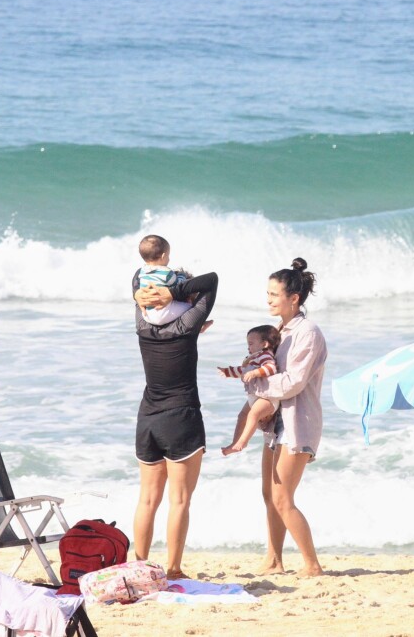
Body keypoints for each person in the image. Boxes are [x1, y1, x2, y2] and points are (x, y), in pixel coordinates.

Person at [132, 258, 218, 580]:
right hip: (181, 418)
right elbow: (211, 281)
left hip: (148, 418)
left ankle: (139, 565)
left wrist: (147, 295)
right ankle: (174, 569)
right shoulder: (187, 323)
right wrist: (177, 293)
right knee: (179, 500)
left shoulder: (142, 320)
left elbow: (137, 279)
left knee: (147, 499)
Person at [246, 257, 327, 578]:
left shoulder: (308, 333)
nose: (268, 300)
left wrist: (257, 381)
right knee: (269, 494)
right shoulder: (278, 331)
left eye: (274, 294)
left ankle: (312, 564)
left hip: (298, 423)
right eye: (267, 294)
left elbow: (294, 381)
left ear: (294, 298)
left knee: (282, 497)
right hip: (275, 425)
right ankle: (275, 559)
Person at [218, 325, 281, 456]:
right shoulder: (254, 358)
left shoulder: (265, 355)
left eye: (251, 343)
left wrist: (255, 373)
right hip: (255, 396)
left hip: (267, 398)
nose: (248, 347)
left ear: (264, 344)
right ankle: (235, 443)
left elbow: (271, 368)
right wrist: (227, 371)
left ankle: (243, 442)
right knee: (242, 416)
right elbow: (242, 371)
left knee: (253, 415)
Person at [137, 235, 193, 326]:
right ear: (163, 256)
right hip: (161, 314)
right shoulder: (166, 273)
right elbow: (178, 285)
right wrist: (181, 275)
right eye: (168, 255)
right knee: (190, 306)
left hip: (147, 315)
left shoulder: (142, 272)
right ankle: (200, 325)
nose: (169, 259)